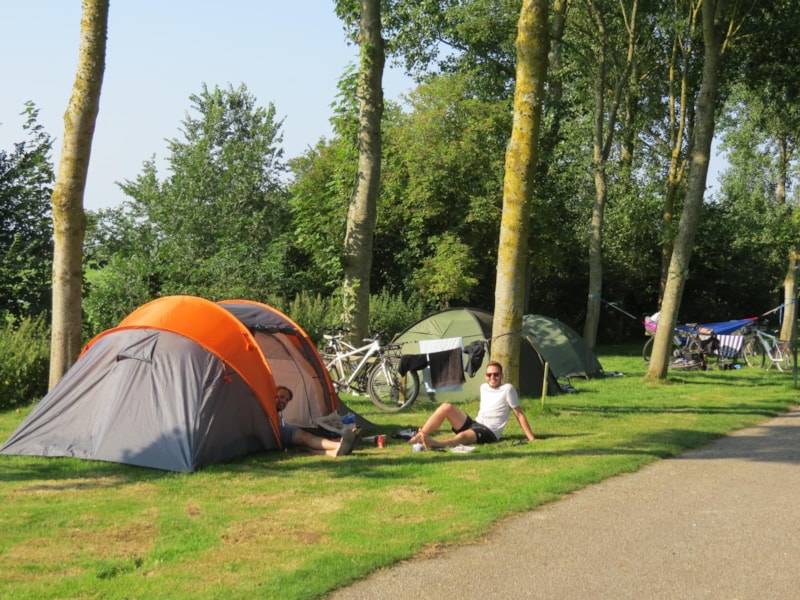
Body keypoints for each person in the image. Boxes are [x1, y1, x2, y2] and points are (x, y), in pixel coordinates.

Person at [408, 361, 535, 449]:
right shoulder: (483, 387)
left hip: (489, 432)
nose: (492, 377)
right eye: (489, 374)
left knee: (462, 436)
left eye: (496, 374)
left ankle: (434, 444)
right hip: (475, 424)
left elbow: (519, 414)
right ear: (485, 376)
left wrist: (532, 439)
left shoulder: (508, 389)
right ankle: (419, 436)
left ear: (502, 375)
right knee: (446, 407)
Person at [275, 386, 360, 457]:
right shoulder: (270, 412)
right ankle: (340, 445)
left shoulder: (275, 413)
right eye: (281, 397)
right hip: (279, 431)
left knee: (305, 445)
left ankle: (334, 451)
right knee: (305, 437)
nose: (284, 401)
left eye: (286, 400)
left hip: (282, 431)